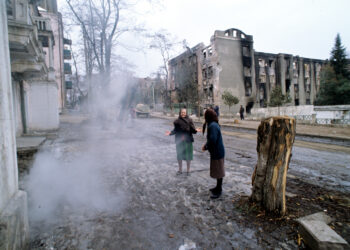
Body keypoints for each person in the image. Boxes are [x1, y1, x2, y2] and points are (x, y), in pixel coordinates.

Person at [166, 108, 201, 175]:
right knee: (179, 155)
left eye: (184, 112)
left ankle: (188, 171)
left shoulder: (190, 120)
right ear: (180, 113)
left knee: (188, 156)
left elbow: (193, 130)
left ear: (186, 113)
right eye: (182, 112)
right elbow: (175, 130)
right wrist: (170, 133)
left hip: (188, 141)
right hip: (180, 141)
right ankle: (180, 170)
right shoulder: (177, 121)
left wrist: (196, 130)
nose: (183, 113)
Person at [201, 108, 225, 199]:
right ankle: (217, 187)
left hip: (217, 152)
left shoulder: (213, 126)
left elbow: (212, 140)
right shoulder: (213, 124)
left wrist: (206, 146)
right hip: (217, 151)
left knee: (219, 171)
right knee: (218, 170)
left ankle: (219, 190)